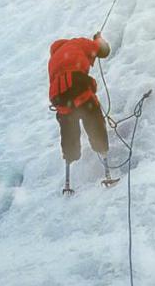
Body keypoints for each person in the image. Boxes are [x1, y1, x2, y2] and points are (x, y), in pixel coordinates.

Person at [48, 31, 117, 194]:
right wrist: (98, 38)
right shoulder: (77, 43)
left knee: (68, 128)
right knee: (93, 118)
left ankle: (68, 180)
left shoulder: (53, 60)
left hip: (58, 96)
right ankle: (106, 166)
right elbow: (104, 51)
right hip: (77, 83)